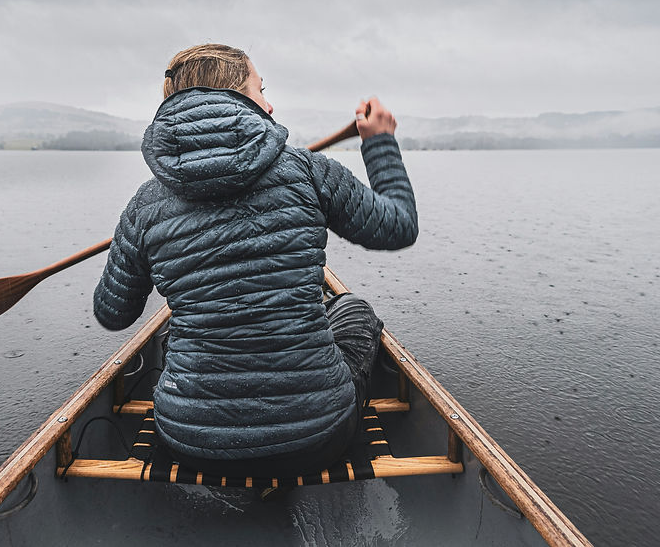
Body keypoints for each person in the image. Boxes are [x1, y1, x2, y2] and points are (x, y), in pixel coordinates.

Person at [93, 43, 418, 478]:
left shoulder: (145, 205)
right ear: (238, 99)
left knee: (174, 328)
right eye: (261, 89)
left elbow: (113, 314)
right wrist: (379, 143)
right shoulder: (306, 170)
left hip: (190, 442)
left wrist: (132, 241)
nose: (270, 103)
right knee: (354, 310)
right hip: (318, 437)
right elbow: (399, 225)